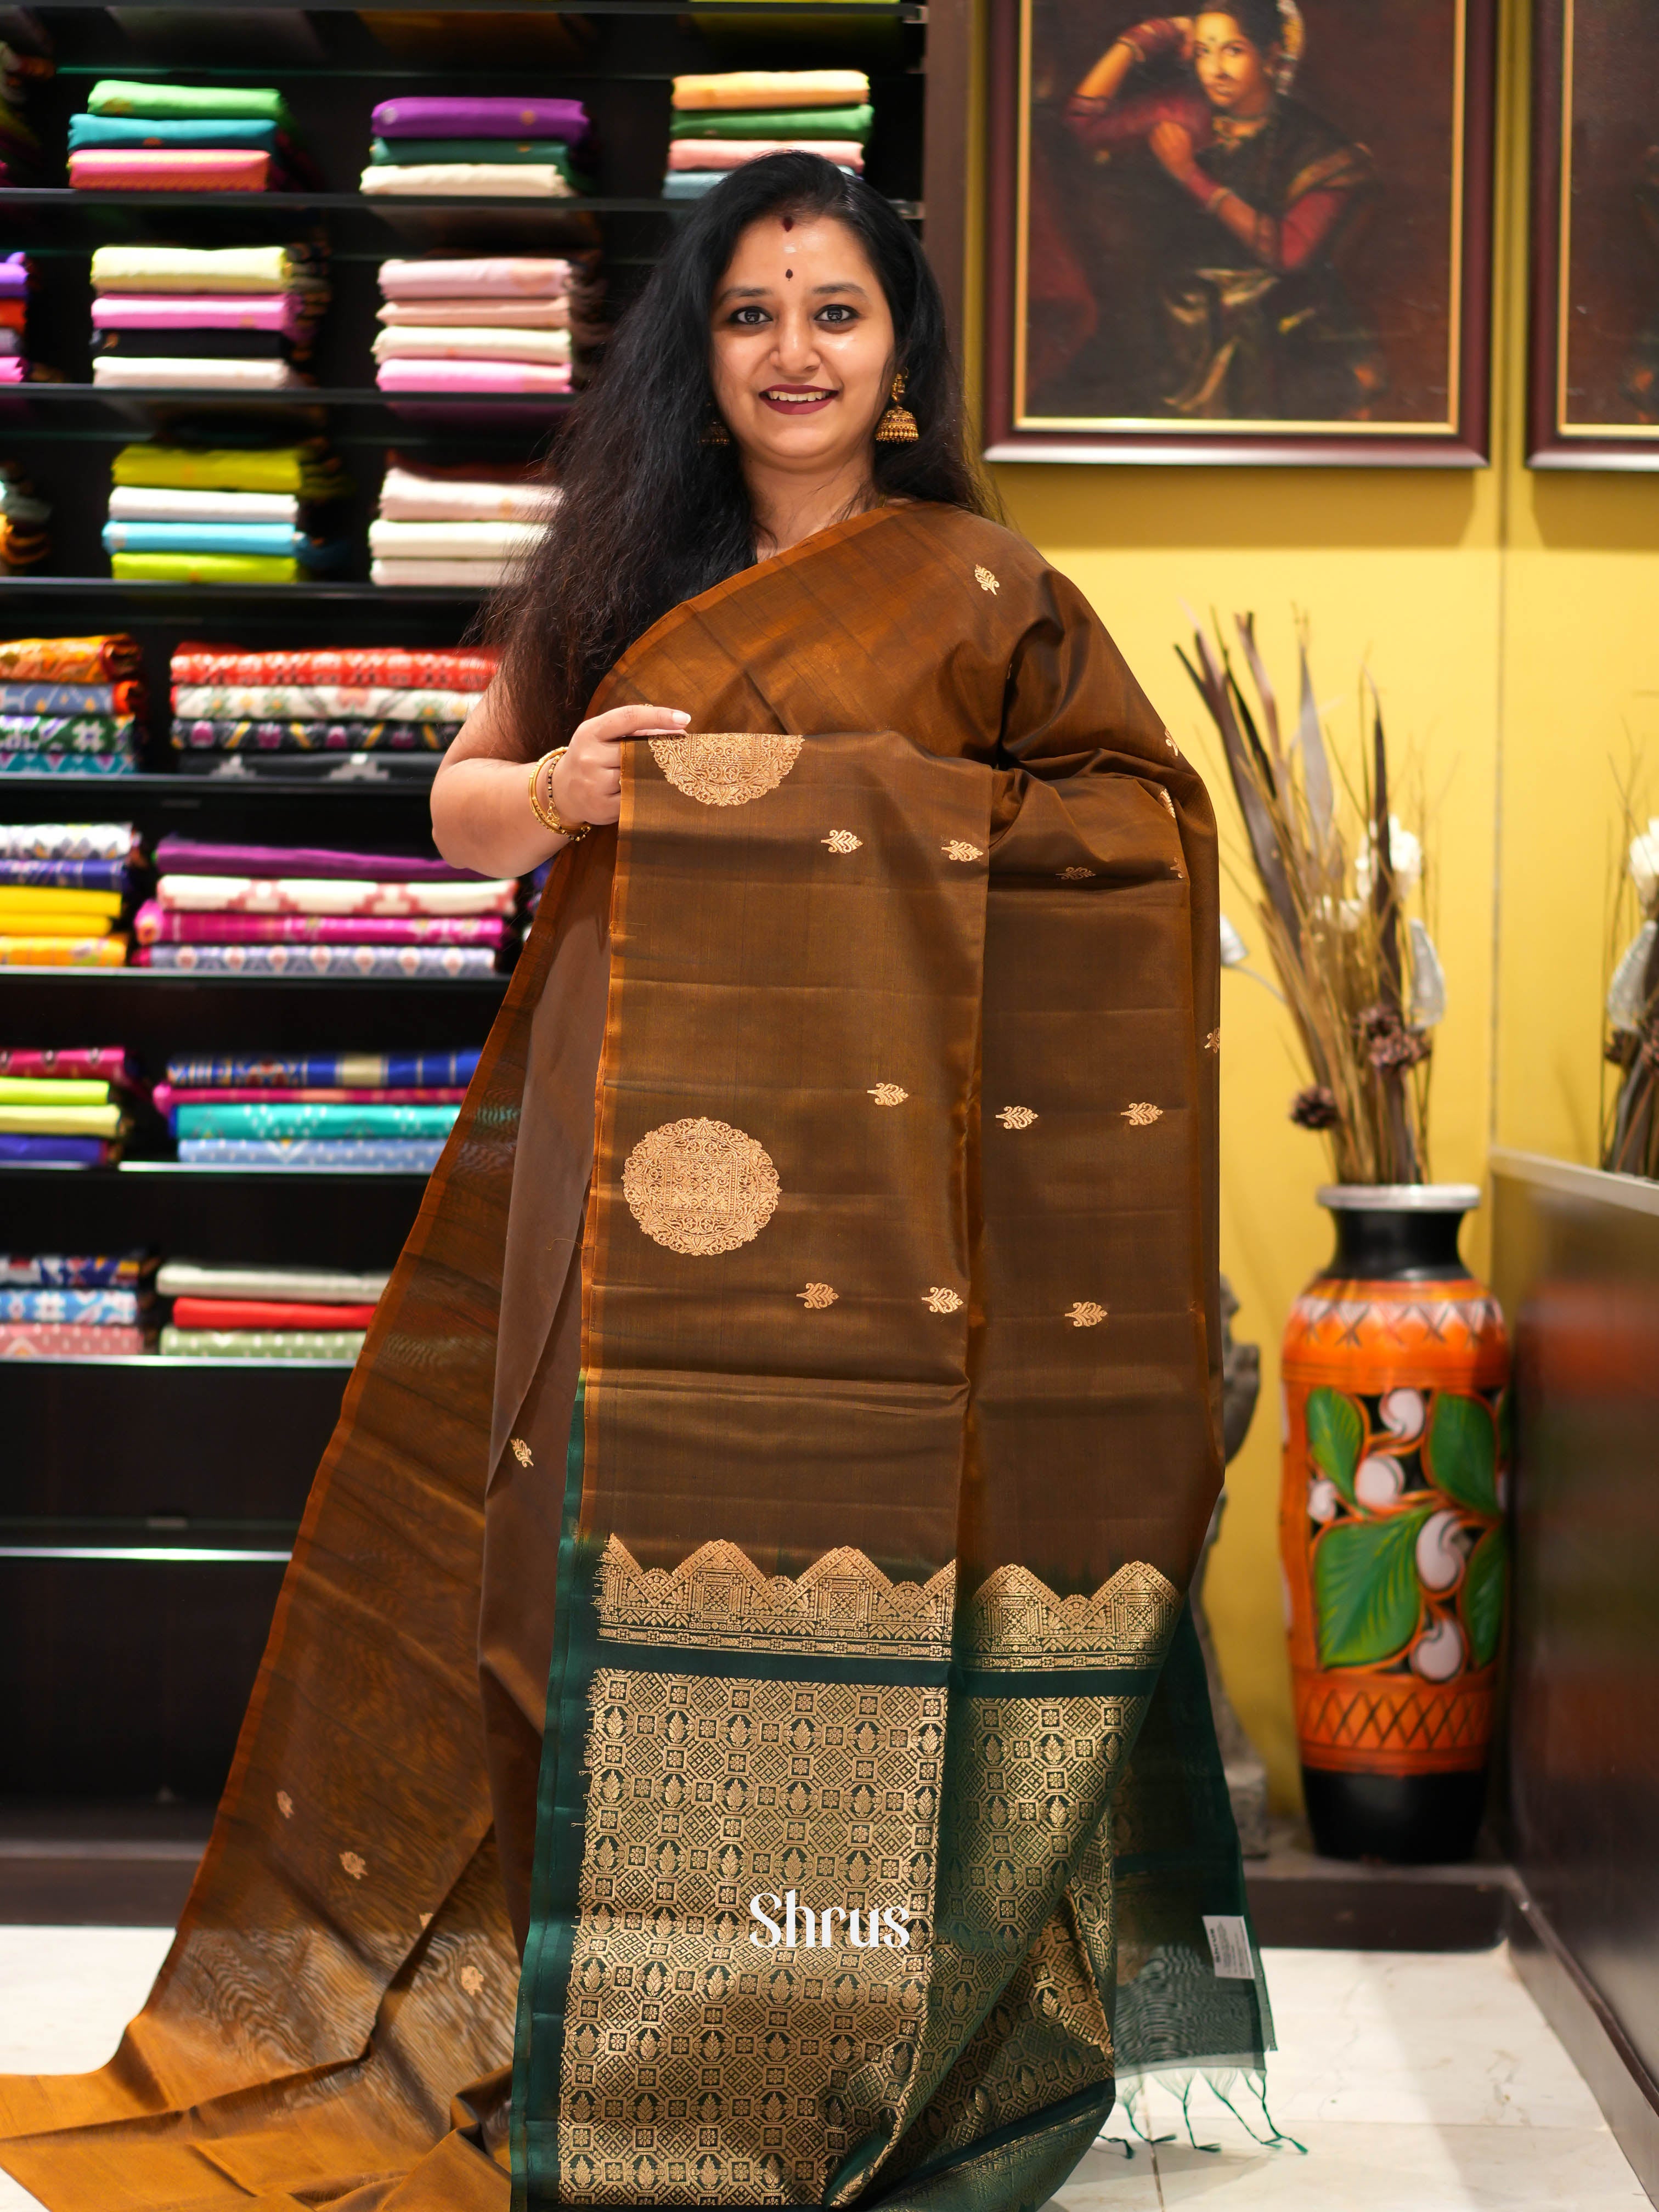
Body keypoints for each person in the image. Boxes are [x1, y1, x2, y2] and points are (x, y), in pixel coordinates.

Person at [0, 154, 1269, 2211]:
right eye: (751, 311)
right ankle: (585, 2031)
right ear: (701, 347)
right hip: (613, 1147)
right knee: (555, 1583)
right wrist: (579, 785)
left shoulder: (977, 585)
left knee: (849, 1589)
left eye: (833, 311)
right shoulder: (613, 563)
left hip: (881, 1202)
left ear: (897, 348)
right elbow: (459, 814)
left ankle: (819, 2037)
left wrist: (858, 814)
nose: (792, 350)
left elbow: (1126, 832)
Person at [1056, 1, 1381, 419]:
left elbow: (1288, 252)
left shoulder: (1319, 148)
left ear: (1271, 56)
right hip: (1180, 317)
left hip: (1280, 323)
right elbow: (1082, 121)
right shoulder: (1184, 111)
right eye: (1205, 51)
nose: (1216, 69)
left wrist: (1191, 175)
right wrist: (1143, 39)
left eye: (1234, 50)